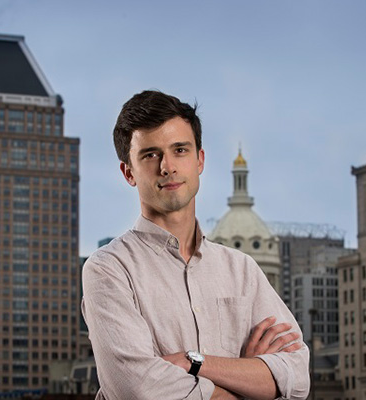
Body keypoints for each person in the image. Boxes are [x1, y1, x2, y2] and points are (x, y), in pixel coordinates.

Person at [82, 90, 310, 400]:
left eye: (180, 150)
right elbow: (137, 389)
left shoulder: (241, 269)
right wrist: (247, 376)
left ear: (199, 160)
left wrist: (194, 362)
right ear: (128, 172)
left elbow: (297, 378)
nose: (167, 166)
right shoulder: (109, 269)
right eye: (150, 154)